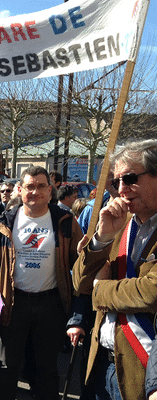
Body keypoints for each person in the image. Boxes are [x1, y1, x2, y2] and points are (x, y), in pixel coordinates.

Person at [0, 166, 84, 400]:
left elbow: (80, 265)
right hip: (13, 303)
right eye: (29, 187)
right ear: (20, 189)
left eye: (40, 186)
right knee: (7, 367)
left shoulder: (64, 221)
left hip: (51, 304)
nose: (35, 192)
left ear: (49, 190)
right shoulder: (4, 222)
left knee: (46, 370)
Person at [73, 139, 157, 400]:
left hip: (142, 369)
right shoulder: (120, 221)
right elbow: (80, 283)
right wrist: (102, 238)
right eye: (116, 182)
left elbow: (151, 291)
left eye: (130, 178)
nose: (121, 190)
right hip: (102, 363)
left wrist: (101, 290)